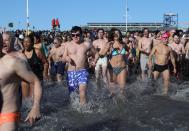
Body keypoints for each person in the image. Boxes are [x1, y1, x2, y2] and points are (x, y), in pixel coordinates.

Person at [0, 31, 42, 130]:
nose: (5, 42)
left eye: (7, 40)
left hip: (7, 116)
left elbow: (35, 81)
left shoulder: (14, 60)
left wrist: (35, 106)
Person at [63, 26, 91, 105]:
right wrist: (66, 58)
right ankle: (75, 110)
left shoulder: (86, 44)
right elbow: (63, 58)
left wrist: (94, 60)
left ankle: (84, 110)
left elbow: (95, 53)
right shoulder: (67, 45)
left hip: (82, 72)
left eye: (77, 35)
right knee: (73, 95)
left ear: (81, 35)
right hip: (71, 73)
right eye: (73, 35)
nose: (75, 36)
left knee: (82, 92)